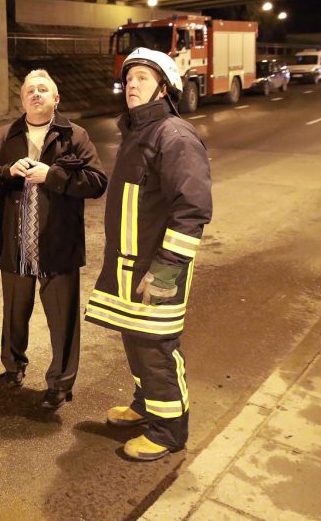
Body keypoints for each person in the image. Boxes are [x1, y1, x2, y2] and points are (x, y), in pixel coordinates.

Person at [85, 47, 213, 461]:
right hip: (128, 264)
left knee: (156, 346)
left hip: (157, 269)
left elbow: (191, 211)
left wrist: (166, 272)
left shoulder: (174, 136)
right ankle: (146, 406)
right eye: (129, 77)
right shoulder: (139, 132)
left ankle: (169, 431)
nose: (132, 84)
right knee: (135, 339)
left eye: (142, 77)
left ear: (164, 86)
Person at [0, 69, 107, 409]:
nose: (36, 94)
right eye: (30, 90)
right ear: (21, 100)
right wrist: (7, 172)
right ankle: (13, 367)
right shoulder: (5, 137)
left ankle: (60, 384)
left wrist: (55, 176)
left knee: (62, 320)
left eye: (43, 89)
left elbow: (96, 182)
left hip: (58, 248)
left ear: (55, 98)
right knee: (14, 315)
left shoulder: (73, 135)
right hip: (16, 248)